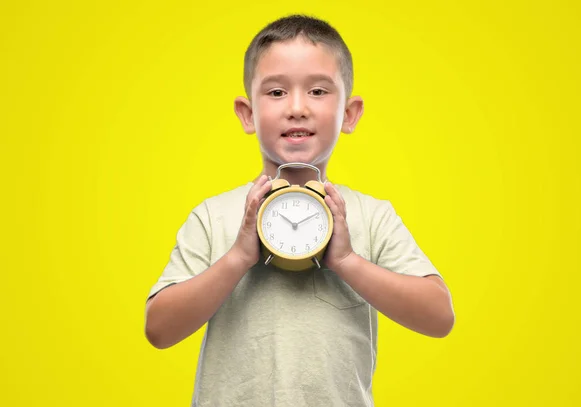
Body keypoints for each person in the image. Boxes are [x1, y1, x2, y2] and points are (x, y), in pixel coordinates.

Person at [144, 14, 455, 407]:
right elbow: (159, 329)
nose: (297, 108)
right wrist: (239, 256)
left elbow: (439, 317)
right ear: (247, 113)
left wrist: (346, 260)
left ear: (349, 113)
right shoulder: (213, 217)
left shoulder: (372, 217)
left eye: (319, 91)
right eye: (275, 93)